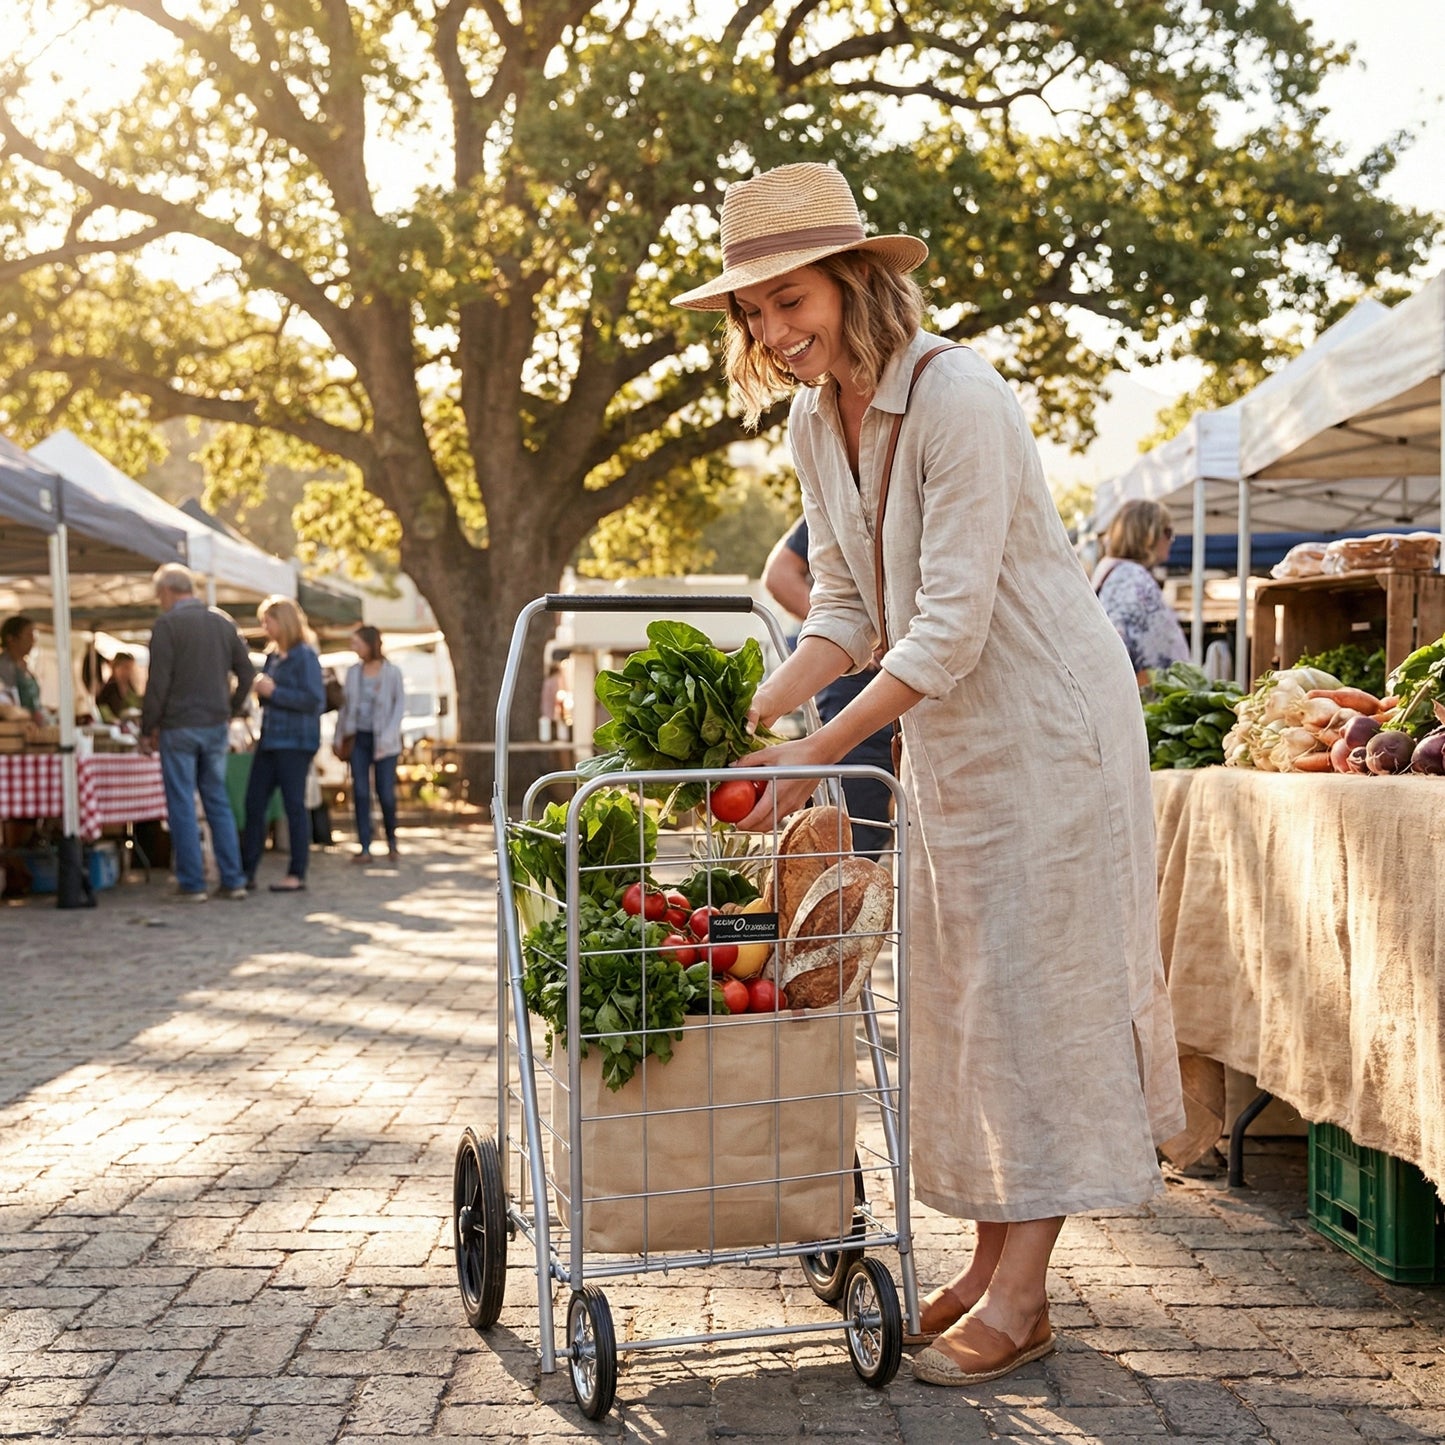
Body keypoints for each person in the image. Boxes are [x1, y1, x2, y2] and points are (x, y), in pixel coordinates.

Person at [674, 162, 1184, 1386]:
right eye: (751, 313)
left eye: (787, 300)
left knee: (1039, 998)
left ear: (854, 280)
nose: (771, 332)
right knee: (965, 1004)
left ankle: (1023, 1295)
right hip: (950, 734)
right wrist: (749, 717)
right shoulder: (813, 420)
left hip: (1048, 726)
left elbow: (946, 628)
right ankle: (982, 1262)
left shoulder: (958, 397)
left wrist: (808, 756)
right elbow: (841, 609)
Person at [762, 517, 894, 859]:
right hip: (857, 689)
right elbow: (779, 575)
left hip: (932, 686)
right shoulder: (844, 496)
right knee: (854, 837)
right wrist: (857, 637)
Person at [140, 564, 254, 902]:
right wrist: (230, 709)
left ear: (167, 592)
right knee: (217, 801)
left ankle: (193, 883)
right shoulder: (222, 623)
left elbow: (157, 684)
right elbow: (247, 673)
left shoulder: (167, 625)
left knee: (182, 804)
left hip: (179, 726)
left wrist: (148, 728)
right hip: (215, 724)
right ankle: (233, 880)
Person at [240, 595, 326, 892]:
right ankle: (246, 871)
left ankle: (297, 872)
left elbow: (315, 700)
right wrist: (261, 691)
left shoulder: (305, 656)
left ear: (284, 621)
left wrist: (275, 692)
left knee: (293, 806)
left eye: (268, 621)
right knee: (254, 803)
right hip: (270, 739)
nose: (265, 627)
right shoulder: (273, 657)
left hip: (296, 741)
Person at [1090, 499, 1191, 684]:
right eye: (1167, 532)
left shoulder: (1109, 572)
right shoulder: (1135, 579)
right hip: (1146, 700)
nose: (1171, 540)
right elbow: (1158, 651)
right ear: (1147, 535)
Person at [333, 625, 405, 864]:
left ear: (370, 643)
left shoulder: (391, 672)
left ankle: (391, 841)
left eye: (358, 643)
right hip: (358, 737)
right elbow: (345, 707)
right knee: (361, 792)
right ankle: (364, 846)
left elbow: (398, 707)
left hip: (385, 738)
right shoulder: (353, 672)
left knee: (385, 792)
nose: (354, 648)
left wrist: (388, 736)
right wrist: (339, 735)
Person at [0, 616, 43, 720]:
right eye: (29, 635)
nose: (32, 640)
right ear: (11, 639)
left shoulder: (24, 666)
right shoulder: (4, 667)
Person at [96, 652, 142, 720]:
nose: (128, 671)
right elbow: (101, 707)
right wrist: (112, 719)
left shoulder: (131, 688)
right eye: (126, 667)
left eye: (130, 668)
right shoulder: (109, 689)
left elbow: (137, 705)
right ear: (117, 668)